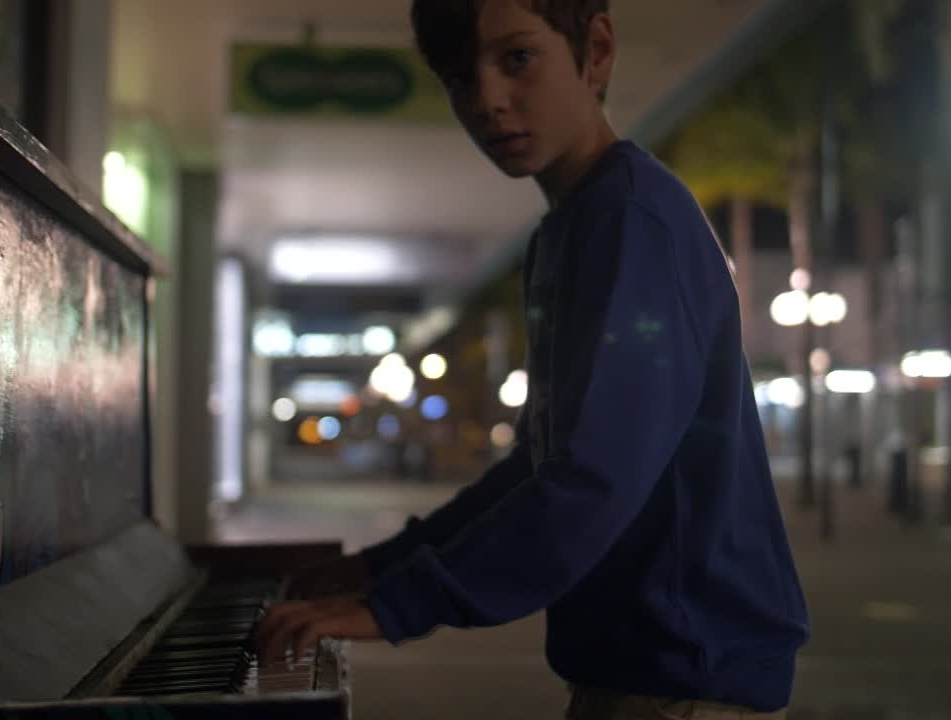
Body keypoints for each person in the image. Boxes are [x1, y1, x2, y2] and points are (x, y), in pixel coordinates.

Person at [254, 1, 810, 716]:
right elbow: (538, 466)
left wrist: (397, 606)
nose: (487, 100)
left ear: (597, 50)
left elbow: (591, 480)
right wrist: (377, 571)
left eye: (517, 58)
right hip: (649, 669)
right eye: (460, 77)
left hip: (684, 678)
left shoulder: (630, 223)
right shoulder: (569, 231)